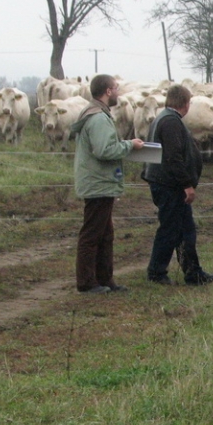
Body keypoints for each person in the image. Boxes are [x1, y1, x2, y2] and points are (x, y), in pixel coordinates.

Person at [70, 74, 144, 294]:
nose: (118, 92)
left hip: (99, 180)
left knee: (104, 234)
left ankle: (105, 279)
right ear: (108, 91)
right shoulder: (99, 118)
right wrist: (129, 145)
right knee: (92, 234)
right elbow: (105, 150)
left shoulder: (95, 114)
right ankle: (87, 282)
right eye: (116, 88)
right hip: (98, 182)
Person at [141, 84, 213, 286]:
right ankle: (156, 271)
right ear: (185, 103)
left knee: (185, 230)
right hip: (169, 185)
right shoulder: (171, 122)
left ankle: (193, 272)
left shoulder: (163, 118)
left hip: (166, 182)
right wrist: (187, 184)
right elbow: (173, 157)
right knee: (170, 229)